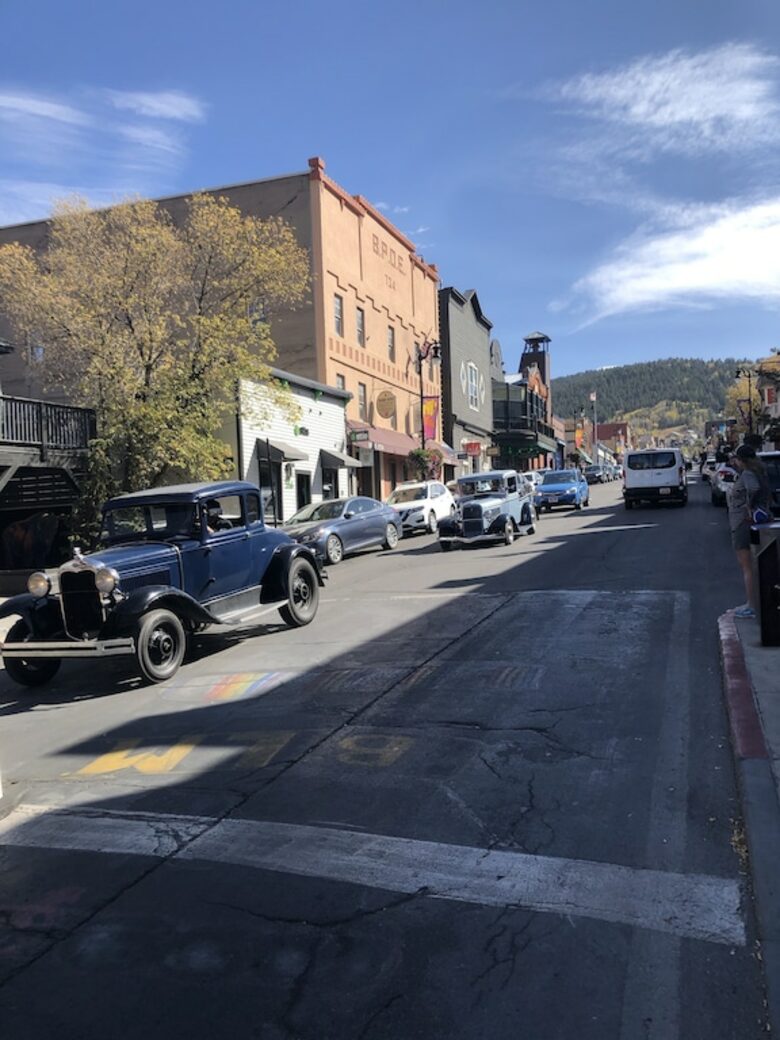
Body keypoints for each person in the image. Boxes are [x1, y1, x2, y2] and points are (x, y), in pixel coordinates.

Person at [727, 445, 771, 618]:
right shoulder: (761, 472)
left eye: (736, 458)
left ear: (741, 460)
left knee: (747, 566)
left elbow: (752, 489)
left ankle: (751, 605)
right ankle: (754, 603)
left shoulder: (747, 474)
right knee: (754, 564)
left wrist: (748, 506)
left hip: (742, 522)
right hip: (755, 520)